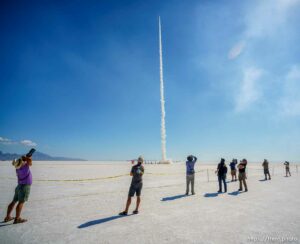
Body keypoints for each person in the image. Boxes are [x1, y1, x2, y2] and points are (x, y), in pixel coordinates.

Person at [4, 155, 33, 224]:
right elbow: (30, 162)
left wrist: (24, 159)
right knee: (21, 202)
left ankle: (7, 217)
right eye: (21, 161)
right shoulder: (25, 167)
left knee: (13, 201)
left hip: (19, 186)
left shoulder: (17, 169)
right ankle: (17, 219)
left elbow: (25, 162)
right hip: (25, 187)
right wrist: (28, 158)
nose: (22, 161)